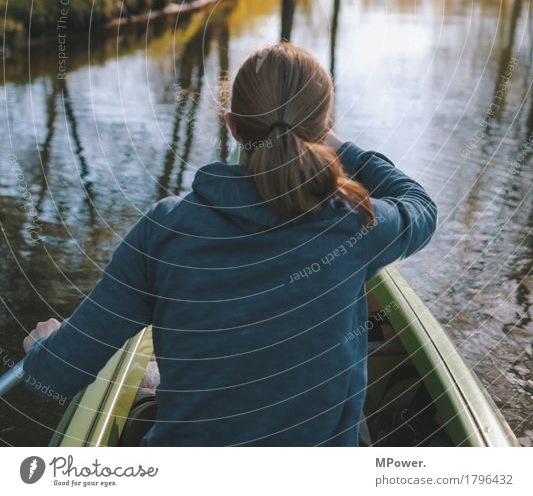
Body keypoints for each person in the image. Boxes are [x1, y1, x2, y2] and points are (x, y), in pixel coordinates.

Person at [22, 42, 437, 446]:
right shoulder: (356, 223)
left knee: (150, 400)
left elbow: (52, 376)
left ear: (232, 125)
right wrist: (342, 147)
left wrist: (42, 347)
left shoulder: (166, 229)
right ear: (324, 129)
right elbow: (420, 205)